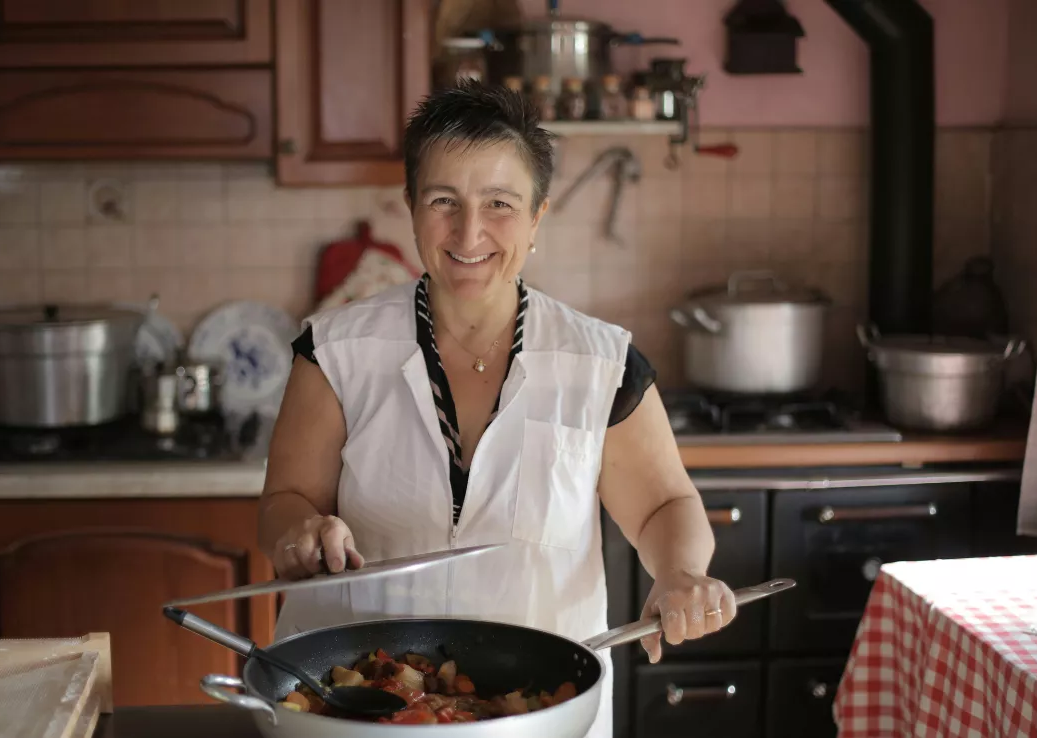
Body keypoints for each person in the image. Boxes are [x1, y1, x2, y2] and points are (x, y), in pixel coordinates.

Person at [258, 80, 733, 736]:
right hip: (354, 707)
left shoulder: (603, 366)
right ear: (412, 208)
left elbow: (662, 506)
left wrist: (682, 573)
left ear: (538, 216)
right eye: (443, 201)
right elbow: (285, 498)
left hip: (541, 711)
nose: (469, 231)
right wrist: (299, 531)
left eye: (500, 204)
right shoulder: (335, 352)